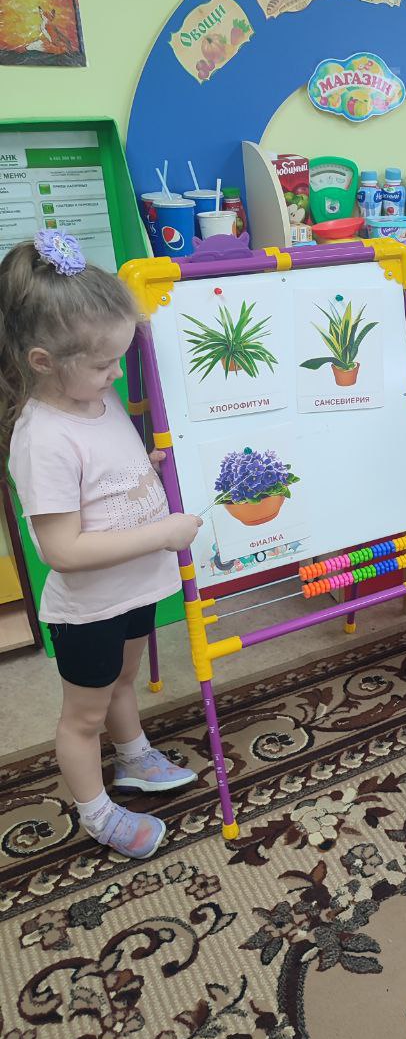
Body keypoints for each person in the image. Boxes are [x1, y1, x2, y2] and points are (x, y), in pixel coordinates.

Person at [1, 232, 202, 859]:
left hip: (135, 586)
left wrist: (144, 468)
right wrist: (161, 533)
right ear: (43, 361)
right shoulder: (42, 439)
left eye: (118, 358)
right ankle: (97, 814)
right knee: (83, 716)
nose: (116, 374)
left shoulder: (97, 396)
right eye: (103, 364)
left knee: (124, 680)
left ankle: (134, 755)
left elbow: (103, 481)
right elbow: (61, 550)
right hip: (89, 607)